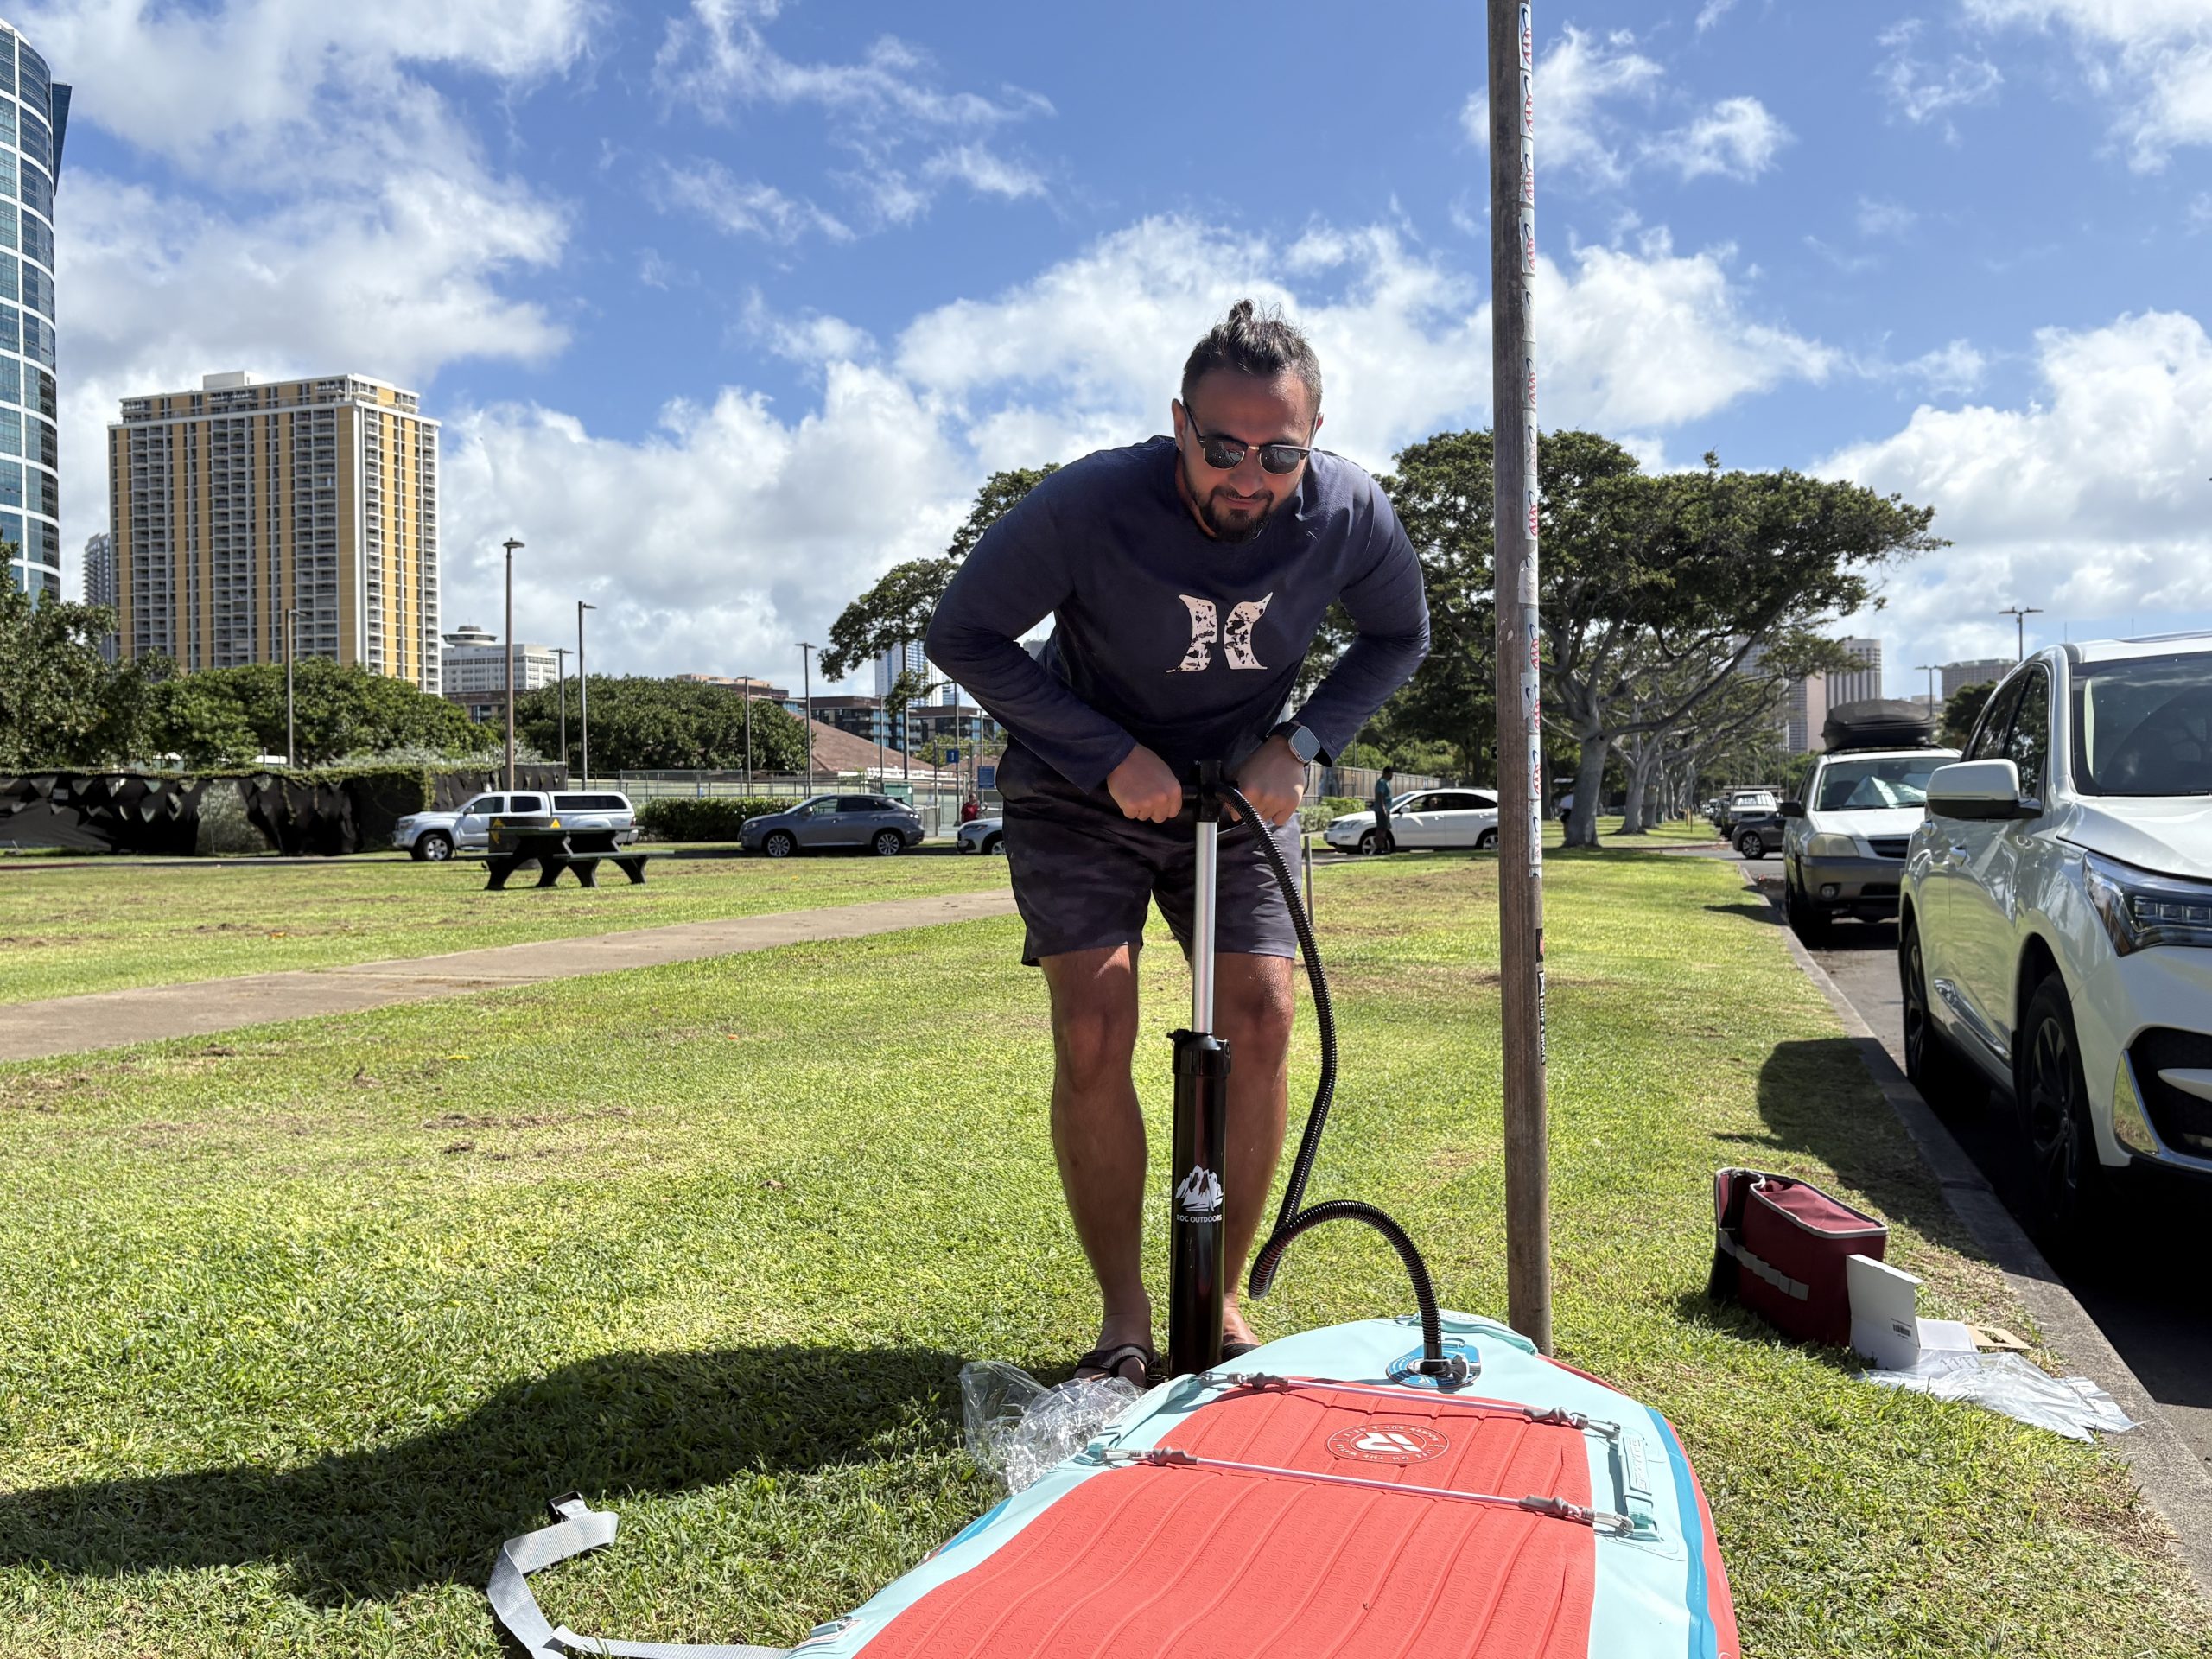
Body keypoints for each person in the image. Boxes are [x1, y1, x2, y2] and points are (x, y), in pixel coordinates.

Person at [925, 300, 1429, 1387]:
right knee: (1097, 1028)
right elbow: (960, 632)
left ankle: (1227, 1295)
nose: (1249, 475)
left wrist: (1303, 744)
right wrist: (1106, 753)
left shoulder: (1347, 512)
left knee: (1262, 1010)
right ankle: (1123, 1319)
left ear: (1316, 438)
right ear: (1178, 425)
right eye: (1223, 447)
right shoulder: (1089, 504)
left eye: (1280, 452)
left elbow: (1401, 632)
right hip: (1081, 790)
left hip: (1243, 790)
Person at [1371, 766, 1397, 855]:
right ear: (1387, 773)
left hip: (1386, 809)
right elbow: (1380, 795)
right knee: (1381, 829)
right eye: (1391, 774)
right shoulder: (1382, 782)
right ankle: (1379, 847)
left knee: (1384, 829)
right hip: (1382, 809)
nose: (1392, 776)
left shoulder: (1387, 782)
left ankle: (1382, 846)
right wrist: (1383, 808)